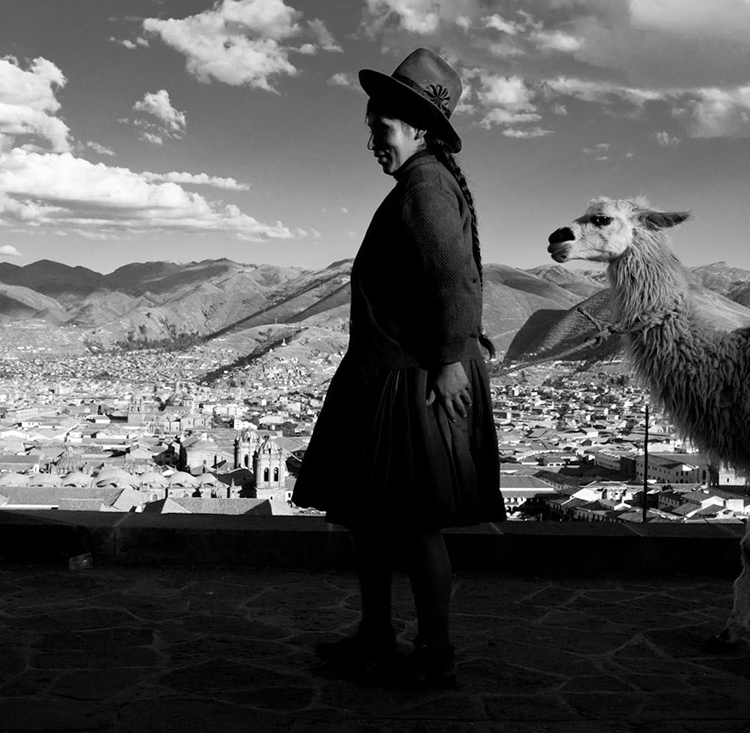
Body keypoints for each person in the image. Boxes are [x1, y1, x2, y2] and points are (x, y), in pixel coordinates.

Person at [291, 47, 504, 687]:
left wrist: (445, 364)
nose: (371, 142)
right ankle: (380, 635)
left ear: (415, 126)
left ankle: (431, 651)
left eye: (378, 129)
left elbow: (452, 278)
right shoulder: (428, 183)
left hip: (410, 381)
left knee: (413, 523)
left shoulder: (426, 188)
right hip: (397, 372)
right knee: (379, 519)